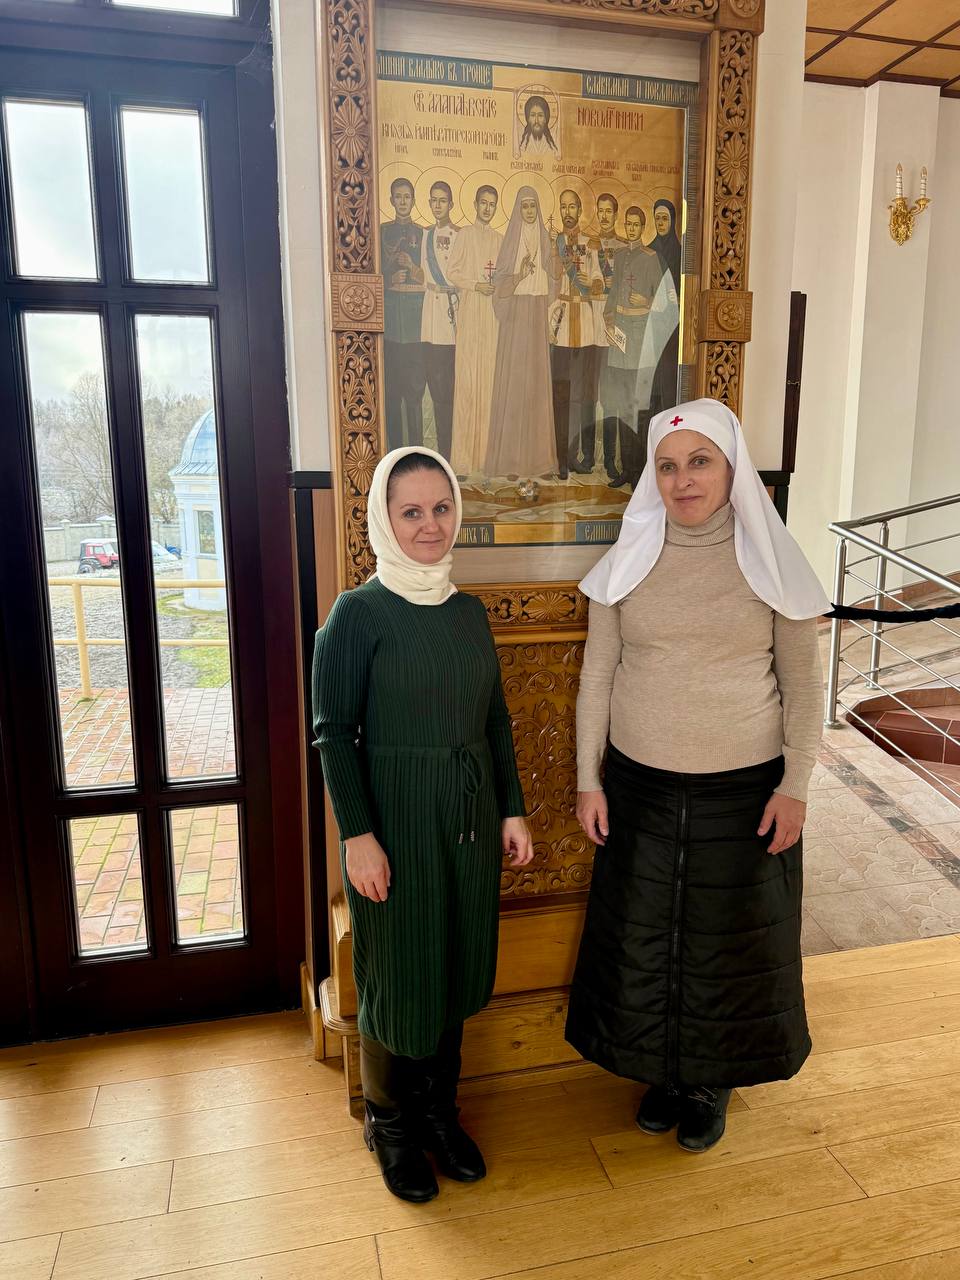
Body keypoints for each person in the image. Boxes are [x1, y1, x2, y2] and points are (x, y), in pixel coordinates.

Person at [566, 398, 827, 1154]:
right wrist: (589, 779)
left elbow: (803, 687)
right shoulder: (629, 561)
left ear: (731, 468)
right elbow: (597, 676)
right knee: (647, 941)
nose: (683, 480)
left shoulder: (772, 563)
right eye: (668, 466)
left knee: (724, 945)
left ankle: (710, 1082)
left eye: (700, 462)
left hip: (743, 794)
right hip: (640, 790)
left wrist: (796, 785)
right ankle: (664, 1073)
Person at [312, 447, 533, 1203]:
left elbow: (493, 719)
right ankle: (391, 1125)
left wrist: (511, 807)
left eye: (441, 509)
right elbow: (333, 733)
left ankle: (439, 1114)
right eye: (411, 511)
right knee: (398, 973)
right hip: (393, 825)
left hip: (467, 821)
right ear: (384, 518)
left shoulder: (469, 614)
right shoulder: (357, 616)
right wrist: (358, 836)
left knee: (455, 962)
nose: (430, 525)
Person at [485, 187, 559, 479]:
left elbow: (555, 278)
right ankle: (512, 463)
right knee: (515, 386)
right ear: (518, 210)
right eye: (525, 206)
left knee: (537, 387)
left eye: (533, 206)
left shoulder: (545, 239)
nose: (529, 211)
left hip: (537, 313)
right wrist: (519, 275)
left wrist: (554, 258)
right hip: (516, 317)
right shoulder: (510, 241)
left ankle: (541, 462)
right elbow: (499, 285)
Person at [599, 206, 664, 488]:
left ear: (643, 227)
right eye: (629, 223)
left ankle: (639, 471)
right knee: (621, 404)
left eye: (637, 224)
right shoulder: (621, 255)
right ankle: (626, 469)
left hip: (640, 337)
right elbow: (613, 294)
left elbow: (666, 302)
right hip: (620, 338)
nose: (632, 228)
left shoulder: (651, 258)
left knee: (638, 406)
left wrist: (647, 302)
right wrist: (609, 320)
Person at [447, 184, 502, 477]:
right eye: (483, 203)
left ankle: (486, 459)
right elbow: (452, 272)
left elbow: (505, 277)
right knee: (468, 383)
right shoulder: (465, 235)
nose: (487, 208)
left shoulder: (499, 239)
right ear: (475, 204)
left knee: (489, 384)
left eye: (492, 204)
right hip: (470, 312)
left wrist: (497, 285)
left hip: (492, 316)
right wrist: (475, 284)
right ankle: (464, 462)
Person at [550, 189, 604, 478]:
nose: (567, 212)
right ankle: (559, 457)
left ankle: (574, 456)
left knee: (579, 395)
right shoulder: (553, 244)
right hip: (560, 325)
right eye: (563, 206)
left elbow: (600, 277)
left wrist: (592, 282)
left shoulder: (591, 244)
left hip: (583, 322)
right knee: (560, 395)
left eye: (572, 207)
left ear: (580, 210)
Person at [381, 178, 426, 450]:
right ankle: (396, 452)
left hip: (415, 325)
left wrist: (411, 266)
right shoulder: (382, 232)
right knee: (392, 394)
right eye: (398, 196)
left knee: (414, 392)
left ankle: (418, 450)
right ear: (391, 200)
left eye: (407, 197)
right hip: (389, 326)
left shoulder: (423, 234)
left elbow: (429, 277)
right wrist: (388, 280)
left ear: (413, 200)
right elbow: (370, 273)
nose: (402, 201)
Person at [419, 181, 459, 459]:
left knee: (451, 390)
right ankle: (441, 452)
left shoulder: (460, 235)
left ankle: (452, 450)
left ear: (451, 204)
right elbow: (423, 274)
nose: (437, 205)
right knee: (436, 388)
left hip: (452, 314)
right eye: (433, 200)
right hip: (431, 317)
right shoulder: (425, 235)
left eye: (442, 200)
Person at [647, 198, 683, 417]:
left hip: (673, 328)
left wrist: (678, 297)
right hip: (651, 325)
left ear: (673, 221)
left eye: (665, 218)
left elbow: (689, 292)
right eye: (657, 218)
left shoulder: (681, 255)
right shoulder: (648, 251)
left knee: (668, 379)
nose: (660, 223)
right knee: (651, 380)